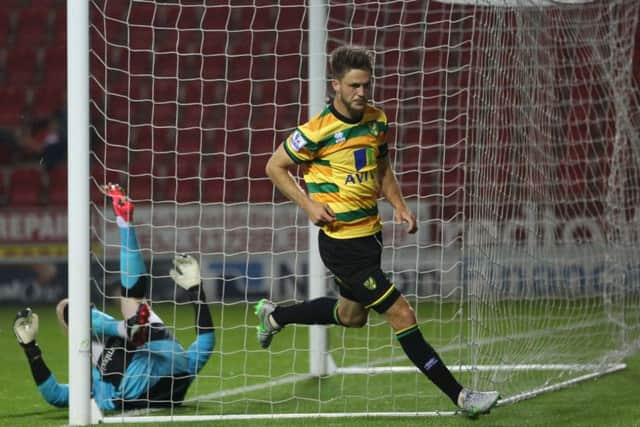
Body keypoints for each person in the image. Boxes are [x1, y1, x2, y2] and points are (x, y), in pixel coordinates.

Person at [258, 46, 499, 417]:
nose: (361, 93)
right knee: (402, 314)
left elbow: (382, 167)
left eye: (366, 85)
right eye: (353, 85)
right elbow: (275, 166)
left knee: (353, 316)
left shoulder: (376, 120)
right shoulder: (316, 132)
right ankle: (462, 397)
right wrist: (307, 205)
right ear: (336, 85)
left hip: (371, 236)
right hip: (342, 244)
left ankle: (276, 317)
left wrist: (399, 204)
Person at [13, 184, 215, 410]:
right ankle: (125, 224)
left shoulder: (90, 376)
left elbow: (56, 396)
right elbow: (205, 342)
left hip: (130, 388)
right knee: (131, 304)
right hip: (164, 368)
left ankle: (125, 226)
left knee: (121, 307)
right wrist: (196, 291)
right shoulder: (90, 370)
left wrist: (30, 347)